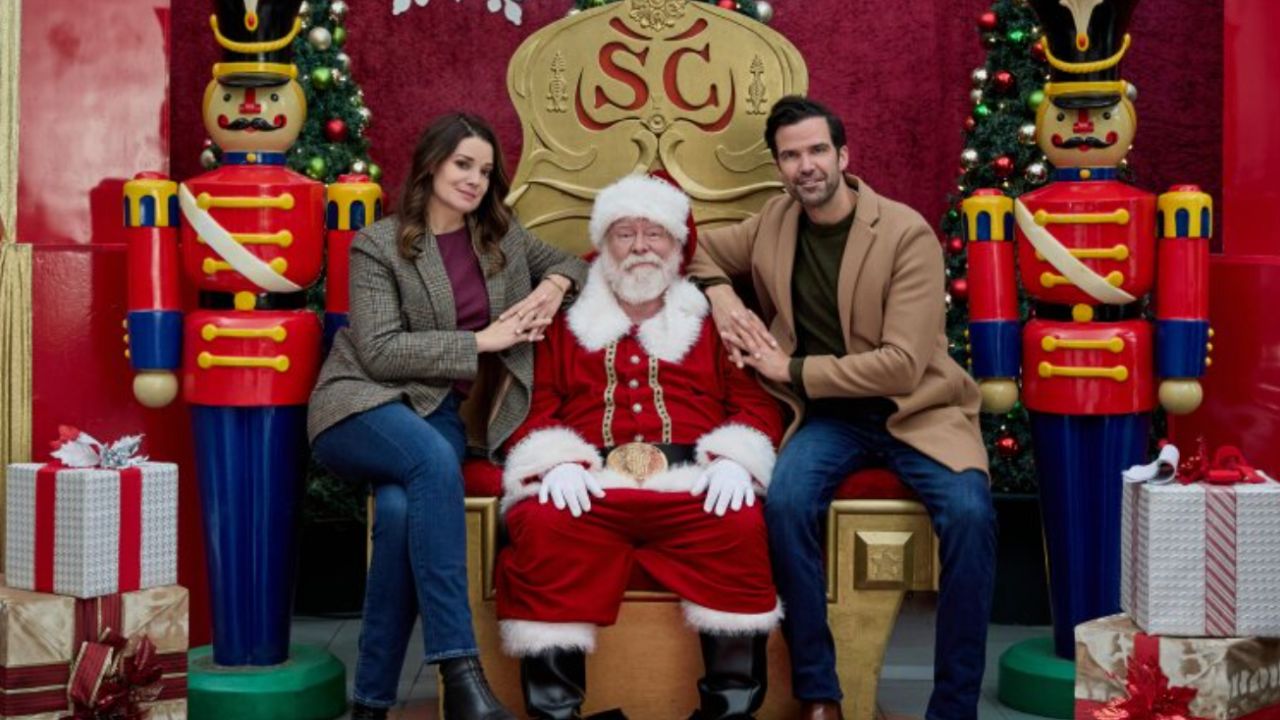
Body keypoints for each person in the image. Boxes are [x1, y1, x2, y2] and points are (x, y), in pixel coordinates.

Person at [687, 96, 997, 720]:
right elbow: (693, 247)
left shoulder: (905, 232)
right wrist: (722, 296)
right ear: (779, 166)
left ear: (843, 155)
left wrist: (790, 369)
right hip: (828, 419)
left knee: (970, 516)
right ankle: (820, 694)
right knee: (785, 505)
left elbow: (903, 363)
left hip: (917, 412)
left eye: (817, 151)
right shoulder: (773, 223)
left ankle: (954, 706)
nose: (806, 166)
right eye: (792, 155)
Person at [307, 112, 589, 720]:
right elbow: (379, 351)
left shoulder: (501, 239)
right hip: (358, 402)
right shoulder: (378, 244)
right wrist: (480, 343)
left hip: (434, 409)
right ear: (432, 163)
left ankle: (370, 704)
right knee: (435, 462)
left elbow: (577, 262)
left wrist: (553, 288)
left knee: (407, 510)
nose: (474, 180)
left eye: (485, 171)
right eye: (463, 164)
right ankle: (460, 672)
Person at [495, 173, 784, 720]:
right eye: (625, 233)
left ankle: (729, 712)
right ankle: (556, 715)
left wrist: (734, 463)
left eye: (655, 234)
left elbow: (755, 404)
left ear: (679, 246)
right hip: (591, 482)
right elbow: (536, 406)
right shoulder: (567, 319)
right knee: (543, 525)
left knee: (740, 524)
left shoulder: (713, 319)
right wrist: (554, 463)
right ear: (603, 243)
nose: (640, 247)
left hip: (691, 482)